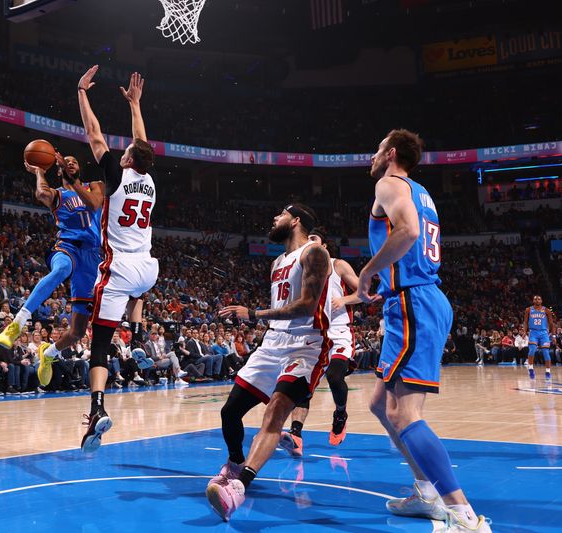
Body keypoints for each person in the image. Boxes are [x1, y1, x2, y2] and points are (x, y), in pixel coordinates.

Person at [357, 130, 489, 531]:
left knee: (406, 415)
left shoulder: (388, 182)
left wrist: (368, 271)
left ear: (391, 153)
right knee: (381, 404)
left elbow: (409, 232)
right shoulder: (421, 191)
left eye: (378, 148)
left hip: (414, 302)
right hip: (421, 298)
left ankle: (463, 513)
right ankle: (425, 492)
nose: (374, 154)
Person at [38, 67, 159, 453]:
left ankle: (96, 409)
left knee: (100, 342)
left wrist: (81, 92)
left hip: (121, 267)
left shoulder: (117, 174)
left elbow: (93, 133)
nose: (121, 152)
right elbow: (141, 142)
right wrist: (136, 105)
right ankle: (138, 331)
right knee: (129, 303)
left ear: (126, 161)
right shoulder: (150, 180)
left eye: (124, 153)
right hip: (148, 267)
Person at [205, 203, 329, 522]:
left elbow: (306, 306)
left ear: (296, 220)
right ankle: (234, 463)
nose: (275, 218)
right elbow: (283, 307)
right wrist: (256, 319)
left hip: (306, 344)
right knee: (230, 411)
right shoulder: (276, 262)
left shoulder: (315, 253)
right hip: (274, 342)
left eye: (281, 214)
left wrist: (255, 314)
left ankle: (239, 488)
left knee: (275, 411)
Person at [0, 142, 101, 363]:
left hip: (91, 256)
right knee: (62, 268)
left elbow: (93, 204)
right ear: (59, 169)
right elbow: (41, 193)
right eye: (66, 162)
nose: (71, 163)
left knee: (79, 330)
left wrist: (72, 181)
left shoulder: (95, 186)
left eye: (75, 162)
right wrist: (40, 172)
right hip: (67, 246)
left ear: (79, 168)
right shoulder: (57, 195)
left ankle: (49, 353)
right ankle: (18, 323)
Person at [279, 229, 362, 455]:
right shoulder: (302, 272)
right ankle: (295, 435)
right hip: (313, 334)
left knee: (335, 376)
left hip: (338, 332)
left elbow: (364, 292)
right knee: (301, 386)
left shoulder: (338, 265)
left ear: (324, 246)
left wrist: (344, 299)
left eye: (314, 240)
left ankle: (340, 413)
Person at [522, 295, 555, 380]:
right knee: (532, 350)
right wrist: (524, 332)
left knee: (546, 353)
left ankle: (548, 371)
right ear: (533, 301)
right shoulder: (528, 310)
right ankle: (531, 368)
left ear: (541, 301)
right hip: (533, 332)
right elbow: (525, 322)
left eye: (539, 299)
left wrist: (554, 335)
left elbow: (551, 324)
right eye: (535, 299)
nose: (537, 300)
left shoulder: (546, 310)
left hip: (544, 333)